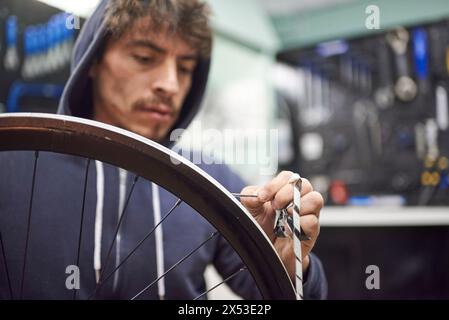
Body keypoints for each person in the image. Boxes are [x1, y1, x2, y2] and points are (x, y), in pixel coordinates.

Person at [0, 0, 327, 299]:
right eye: (145, 58)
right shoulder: (10, 162)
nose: (170, 84)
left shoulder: (211, 177)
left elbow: (271, 297)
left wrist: (287, 267)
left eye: (185, 68)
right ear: (92, 61)